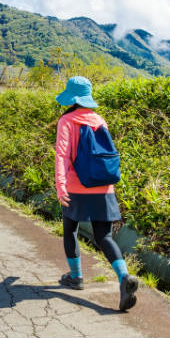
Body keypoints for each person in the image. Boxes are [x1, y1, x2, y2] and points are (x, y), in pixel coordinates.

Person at [54, 76, 138, 311]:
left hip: (75, 186)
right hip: (103, 187)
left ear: (71, 98)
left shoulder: (67, 120)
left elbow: (61, 155)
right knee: (104, 236)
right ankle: (124, 278)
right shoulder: (99, 119)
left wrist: (61, 186)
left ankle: (76, 277)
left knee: (70, 230)